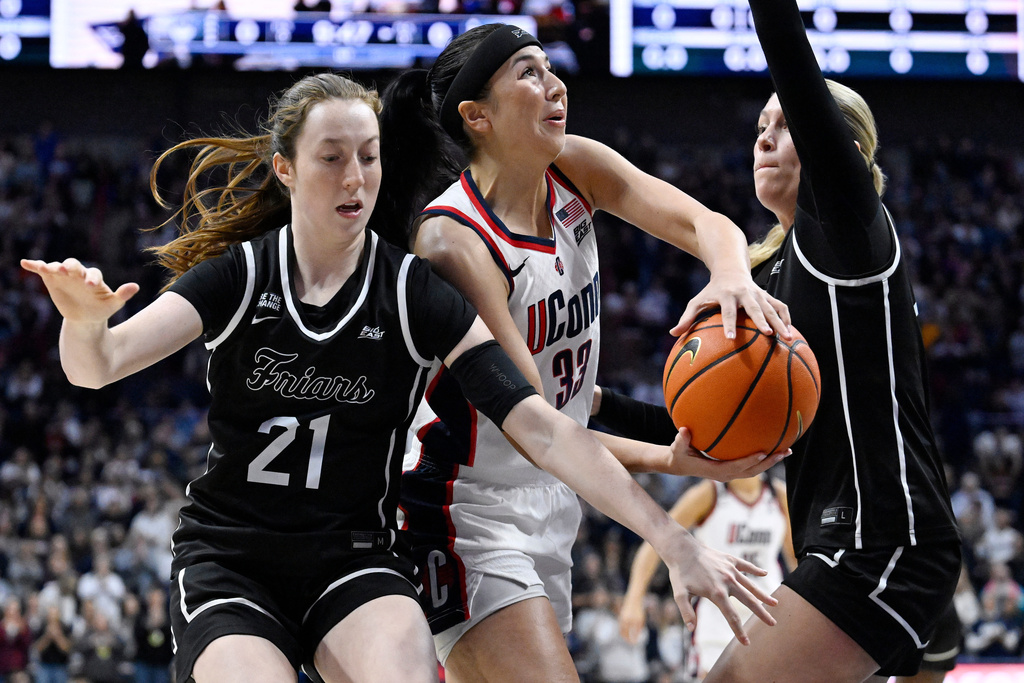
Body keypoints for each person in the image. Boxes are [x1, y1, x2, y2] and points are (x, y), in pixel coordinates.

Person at [22, 72, 776, 683]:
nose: (356, 177)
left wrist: (671, 536)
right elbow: (101, 367)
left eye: (370, 155)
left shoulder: (416, 293)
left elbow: (542, 423)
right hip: (233, 562)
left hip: (353, 557)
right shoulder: (241, 278)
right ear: (285, 168)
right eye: (331, 157)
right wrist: (83, 323)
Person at [377, 23, 792, 682]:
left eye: (551, 68)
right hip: (464, 514)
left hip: (549, 502)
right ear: (475, 116)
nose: (556, 85)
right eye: (529, 73)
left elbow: (703, 224)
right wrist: (673, 518)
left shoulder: (573, 166)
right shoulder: (452, 242)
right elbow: (541, 426)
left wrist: (730, 274)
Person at [693, 2, 962, 681]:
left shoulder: (848, 233)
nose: (764, 138)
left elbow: (786, 44)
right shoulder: (761, 275)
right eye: (760, 126)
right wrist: (592, 398)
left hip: (884, 540)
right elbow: (705, 420)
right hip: (839, 542)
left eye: (785, 126)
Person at [617, 473, 795, 680]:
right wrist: (633, 598)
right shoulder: (709, 494)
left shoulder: (779, 495)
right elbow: (656, 540)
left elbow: (794, 556)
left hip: (766, 614)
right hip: (715, 616)